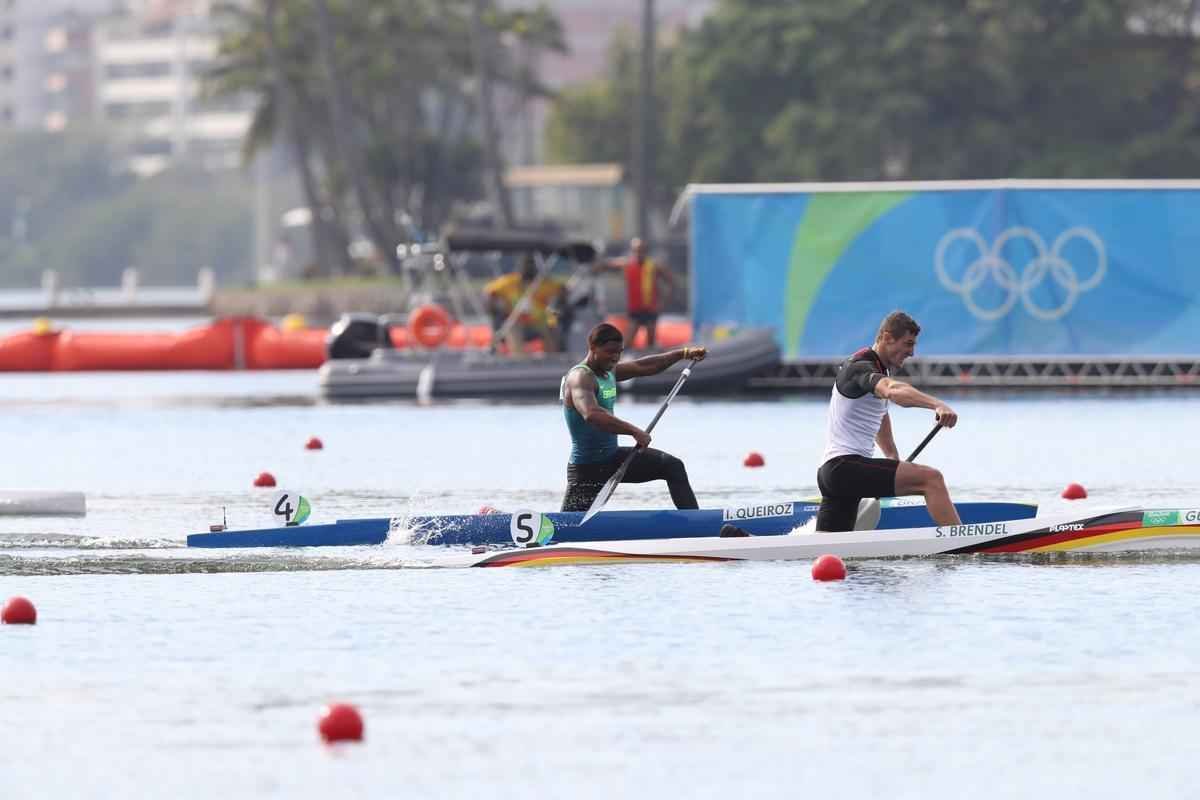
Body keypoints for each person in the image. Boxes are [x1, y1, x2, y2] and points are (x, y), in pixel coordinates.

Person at [812, 310, 960, 532]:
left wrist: (892, 456)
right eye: (908, 344)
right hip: (845, 469)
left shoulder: (879, 368)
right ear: (887, 337)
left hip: (834, 475)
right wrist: (936, 404)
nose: (911, 352)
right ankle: (964, 542)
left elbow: (879, 413)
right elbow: (892, 390)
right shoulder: (859, 366)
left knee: (827, 552)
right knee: (932, 479)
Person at [560, 322, 707, 512]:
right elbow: (591, 414)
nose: (615, 357)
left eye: (619, 352)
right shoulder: (580, 377)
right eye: (610, 351)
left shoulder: (609, 371)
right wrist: (634, 431)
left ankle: (695, 524)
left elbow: (644, 366)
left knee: (672, 466)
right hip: (588, 469)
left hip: (613, 458)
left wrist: (683, 353)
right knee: (569, 527)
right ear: (593, 347)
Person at [596, 237, 678, 348]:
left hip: (651, 309)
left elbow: (671, 282)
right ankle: (625, 362)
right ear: (632, 251)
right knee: (628, 341)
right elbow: (609, 264)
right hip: (635, 310)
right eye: (636, 250)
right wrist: (598, 265)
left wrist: (664, 302)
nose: (639, 253)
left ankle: (650, 361)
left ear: (646, 251)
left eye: (641, 250)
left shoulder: (654, 266)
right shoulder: (627, 263)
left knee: (650, 342)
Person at [484, 253, 567, 353]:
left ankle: (552, 360)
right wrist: (498, 306)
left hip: (540, 323)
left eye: (532, 264)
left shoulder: (545, 284)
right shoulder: (509, 282)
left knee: (551, 326)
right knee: (513, 328)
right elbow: (489, 292)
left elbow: (563, 291)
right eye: (526, 264)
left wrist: (556, 306)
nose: (528, 267)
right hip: (515, 322)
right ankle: (519, 359)